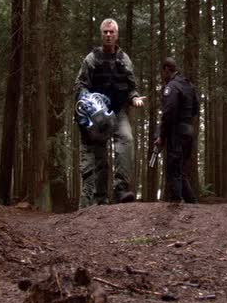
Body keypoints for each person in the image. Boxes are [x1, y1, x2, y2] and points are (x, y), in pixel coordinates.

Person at [75, 19, 144, 207]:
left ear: (117, 34)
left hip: (118, 110)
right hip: (96, 114)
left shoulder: (124, 59)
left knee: (126, 138)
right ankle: (101, 198)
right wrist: (88, 100)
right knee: (100, 155)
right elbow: (80, 84)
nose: (108, 35)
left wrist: (134, 98)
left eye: (111, 32)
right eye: (105, 32)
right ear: (101, 34)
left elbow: (132, 87)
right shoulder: (92, 58)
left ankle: (121, 189)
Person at [154, 57, 198, 203]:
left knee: (174, 168)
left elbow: (168, 113)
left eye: (163, 72)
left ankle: (176, 202)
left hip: (177, 132)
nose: (163, 75)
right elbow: (195, 109)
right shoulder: (189, 85)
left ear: (166, 69)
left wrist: (162, 135)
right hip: (188, 131)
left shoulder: (172, 86)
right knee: (181, 170)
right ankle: (192, 202)